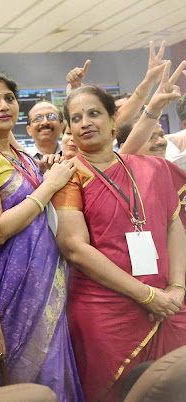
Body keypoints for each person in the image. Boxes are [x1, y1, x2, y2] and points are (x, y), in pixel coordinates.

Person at [53, 80, 186, 402]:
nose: (85, 123)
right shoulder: (68, 177)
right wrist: (146, 296)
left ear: (114, 120)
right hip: (106, 309)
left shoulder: (153, 168)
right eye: (76, 118)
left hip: (170, 302)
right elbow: (74, 247)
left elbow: (173, 225)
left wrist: (178, 289)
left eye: (94, 113)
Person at [0, 73, 83, 401]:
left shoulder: (23, 156)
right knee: (21, 383)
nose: (3, 106)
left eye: (9, 98)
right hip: (10, 290)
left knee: (56, 375)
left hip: (47, 284)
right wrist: (49, 184)